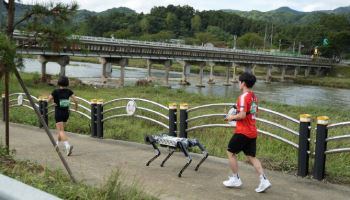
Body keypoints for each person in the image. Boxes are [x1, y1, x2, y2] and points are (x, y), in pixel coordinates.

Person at [223, 72, 271, 193]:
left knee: (230, 152)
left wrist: (231, 118)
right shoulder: (254, 96)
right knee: (252, 157)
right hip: (252, 131)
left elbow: (242, 115)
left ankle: (235, 179)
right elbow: (253, 112)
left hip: (243, 132)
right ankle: (264, 180)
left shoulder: (243, 97)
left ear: (243, 83)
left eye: (239, 82)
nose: (239, 84)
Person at [48, 76, 78, 156]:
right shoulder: (69, 91)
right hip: (66, 113)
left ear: (58, 83)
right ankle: (57, 145)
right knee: (61, 130)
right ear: (67, 83)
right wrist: (76, 108)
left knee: (60, 131)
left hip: (58, 113)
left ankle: (67, 146)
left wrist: (52, 103)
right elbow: (75, 100)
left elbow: (48, 99)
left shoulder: (55, 91)